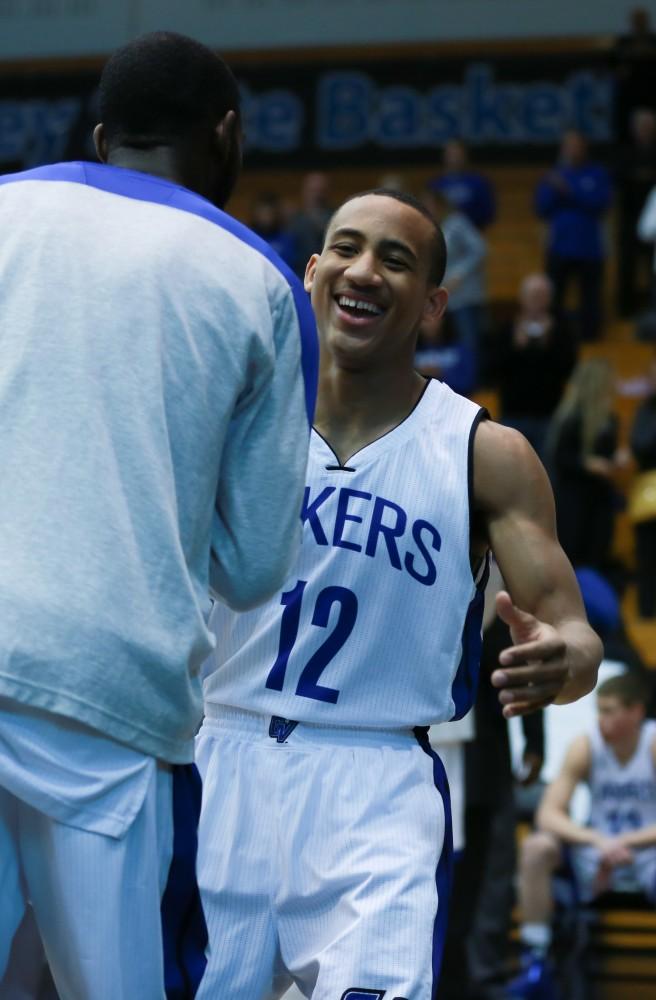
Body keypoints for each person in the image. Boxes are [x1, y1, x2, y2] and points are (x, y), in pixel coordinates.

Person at [194, 188, 602, 1000]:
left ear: (435, 306)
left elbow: (576, 637)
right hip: (218, 758)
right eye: (346, 248)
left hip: (377, 781)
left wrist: (565, 658)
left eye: (397, 259)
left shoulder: (486, 452)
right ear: (311, 273)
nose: (365, 270)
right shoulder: (228, 414)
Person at [0, 30, 318, 1000]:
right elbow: (258, 562)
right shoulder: (259, 278)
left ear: (101, 135)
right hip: (105, 696)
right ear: (224, 133)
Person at [508, 672, 656, 999]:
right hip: (598, 851)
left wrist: (627, 843)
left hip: (647, 852)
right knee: (536, 847)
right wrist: (596, 840)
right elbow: (548, 813)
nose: (600, 719)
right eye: (599, 710)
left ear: (636, 712)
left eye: (610, 710)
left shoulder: (652, 743)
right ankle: (536, 957)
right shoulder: (586, 744)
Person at [545, 358, 623, 573]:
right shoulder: (570, 418)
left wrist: (614, 460)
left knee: (595, 560)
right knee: (572, 560)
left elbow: (607, 454)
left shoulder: (611, 419)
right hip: (574, 499)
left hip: (600, 500)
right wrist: (588, 464)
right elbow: (560, 458)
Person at [535, 130, 612, 342]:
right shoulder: (555, 174)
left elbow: (600, 203)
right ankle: (556, 338)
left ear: (584, 148)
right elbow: (542, 208)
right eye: (568, 145)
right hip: (559, 247)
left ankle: (591, 340)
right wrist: (559, 191)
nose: (572, 150)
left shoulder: (597, 173)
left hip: (590, 249)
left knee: (590, 298)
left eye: (576, 145)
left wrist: (568, 191)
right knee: (555, 298)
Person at [493, 273, 576, 459]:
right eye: (533, 295)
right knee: (510, 469)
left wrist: (548, 343)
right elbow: (492, 369)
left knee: (548, 473)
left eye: (542, 295)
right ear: (522, 298)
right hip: (513, 413)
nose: (537, 301)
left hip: (549, 415)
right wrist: (515, 347)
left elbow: (569, 368)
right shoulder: (507, 329)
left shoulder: (562, 330)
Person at [628, 352, 656, 618]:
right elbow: (640, 447)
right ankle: (647, 614)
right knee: (648, 557)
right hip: (651, 492)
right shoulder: (645, 410)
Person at [428, 138, 497, 230]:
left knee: (457, 222)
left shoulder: (478, 182)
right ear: (444, 155)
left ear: (465, 155)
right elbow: (428, 213)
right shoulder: (436, 184)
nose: (454, 157)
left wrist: (461, 213)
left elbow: (488, 212)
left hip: (471, 229)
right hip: (443, 231)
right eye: (451, 153)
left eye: (457, 153)